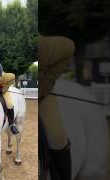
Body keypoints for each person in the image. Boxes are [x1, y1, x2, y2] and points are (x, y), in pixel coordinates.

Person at [39, 35, 75, 180]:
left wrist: (45, 84)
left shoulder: (42, 48)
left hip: (41, 92)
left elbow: (69, 47)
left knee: (56, 137)